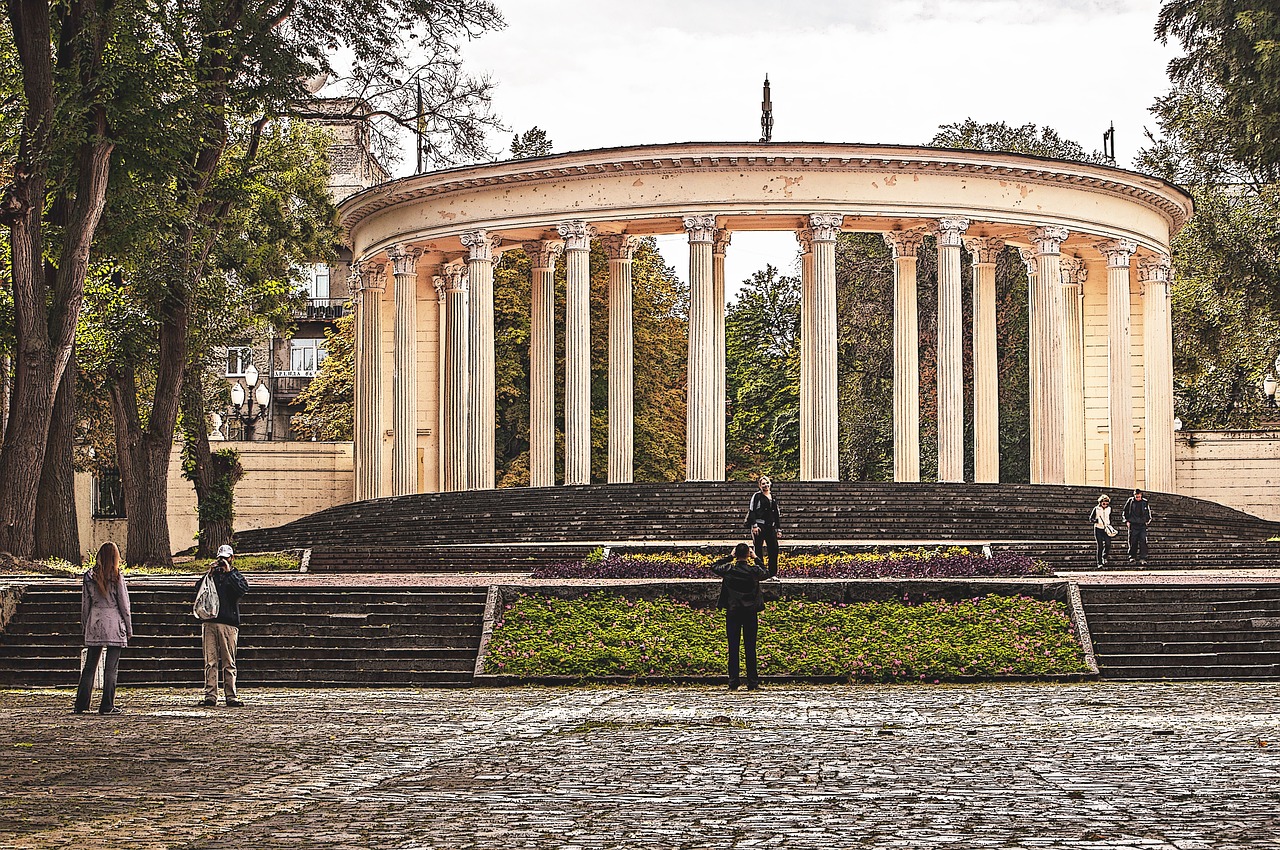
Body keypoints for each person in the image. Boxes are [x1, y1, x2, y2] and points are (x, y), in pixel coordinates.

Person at [74, 542, 132, 715]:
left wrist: (85, 625)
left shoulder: (89, 577)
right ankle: (107, 704)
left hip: (95, 620)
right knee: (111, 668)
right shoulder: (116, 576)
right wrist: (128, 627)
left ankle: (81, 704)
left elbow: (85, 605)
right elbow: (124, 605)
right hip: (113, 621)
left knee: (90, 666)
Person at [709, 542, 771, 691]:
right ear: (748, 555)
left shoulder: (729, 570)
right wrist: (756, 558)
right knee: (750, 647)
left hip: (733, 611)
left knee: (733, 647)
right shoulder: (753, 571)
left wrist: (729, 557)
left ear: (736, 554)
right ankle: (752, 682)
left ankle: (733, 681)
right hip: (750, 612)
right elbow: (766, 572)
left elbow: (714, 566)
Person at [197, 544, 249, 707]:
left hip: (228, 623)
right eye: (221, 558)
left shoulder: (235, 576)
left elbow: (241, 590)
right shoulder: (212, 576)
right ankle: (210, 695)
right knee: (210, 661)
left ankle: (231, 695)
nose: (223, 561)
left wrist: (229, 573)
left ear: (232, 558)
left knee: (228, 661)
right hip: (210, 622)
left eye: (226, 558)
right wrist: (209, 574)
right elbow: (198, 590)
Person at [743, 475, 781, 578]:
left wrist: (778, 528)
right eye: (763, 484)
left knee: (774, 549)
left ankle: (772, 573)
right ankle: (760, 572)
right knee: (758, 549)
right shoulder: (757, 496)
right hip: (759, 526)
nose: (766, 485)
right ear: (760, 486)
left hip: (771, 526)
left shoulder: (773, 497)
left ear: (770, 484)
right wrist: (754, 525)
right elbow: (752, 511)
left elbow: (776, 513)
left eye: (767, 483)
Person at [1122, 488, 1154, 567]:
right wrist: (1126, 521)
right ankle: (1132, 556)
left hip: (1142, 524)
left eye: (1139, 497)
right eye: (1137, 497)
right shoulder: (1130, 501)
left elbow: (1147, 512)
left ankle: (1143, 557)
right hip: (1133, 523)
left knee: (1143, 540)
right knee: (1133, 541)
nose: (1138, 498)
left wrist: (1148, 520)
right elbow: (1125, 511)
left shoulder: (1144, 502)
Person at [1088, 494, 1115, 568]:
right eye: (1104, 503)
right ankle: (1099, 562)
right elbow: (1091, 519)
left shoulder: (1109, 509)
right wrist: (1097, 521)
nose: (1105, 505)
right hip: (1098, 528)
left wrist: (1110, 526)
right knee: (1100, 546)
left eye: (1106, 504)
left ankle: (1105, 556)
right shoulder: (1096, 509)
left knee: (1108, 544)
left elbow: (1111, 517)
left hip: (1106, 528)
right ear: (1100, 502)